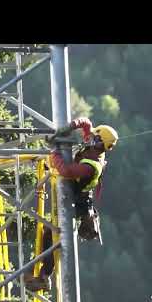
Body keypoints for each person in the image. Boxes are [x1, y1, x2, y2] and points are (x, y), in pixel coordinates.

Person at [24, 117, 118, 291]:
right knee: (49, 233)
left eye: (94, 138)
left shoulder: (92, 165)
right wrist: (68, 128)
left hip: (76, 204)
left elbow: (66, 171)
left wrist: (55, 152)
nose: (89, 138)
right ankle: (41, 273)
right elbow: (87, 123)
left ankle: (44, 276)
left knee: (51, 235)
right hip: (73, 196)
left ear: (99, 143)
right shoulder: (94, 146)